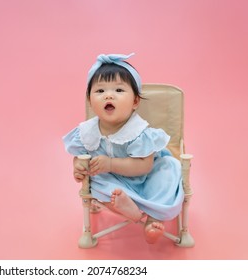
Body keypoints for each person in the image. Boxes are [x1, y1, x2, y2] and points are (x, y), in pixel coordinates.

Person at [62, 53, 184, 244]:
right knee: (96, 181)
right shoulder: (87, 131)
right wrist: (78, 166)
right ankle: (131, 210)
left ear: (135, 102)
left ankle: (153, 220)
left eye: (119, 90)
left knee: (168, 169)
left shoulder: (139, 131)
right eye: (100, 91)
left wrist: (110, 163)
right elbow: (80, 155)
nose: (109, 95)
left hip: (145, 178)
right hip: (115, 183)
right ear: (90, 100)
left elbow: (144, 166)